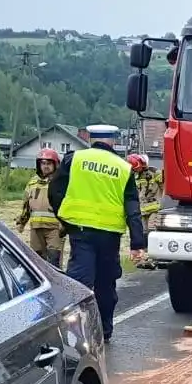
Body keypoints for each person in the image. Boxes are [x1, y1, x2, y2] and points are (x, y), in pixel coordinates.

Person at [48, 125, 147, 342]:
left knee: (79, 281)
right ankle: (104, 331)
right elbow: (132, 207)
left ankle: (74, 331)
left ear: (91, 138)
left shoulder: (74, 159)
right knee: (105, 283)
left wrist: (64, 217)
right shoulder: (123, 167)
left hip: (80, 232)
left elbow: (55, 190)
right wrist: (137, 242)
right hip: (109, 236)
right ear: (113, 140)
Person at [16, 148, 64, 266]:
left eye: (48, 163)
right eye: (43, 163)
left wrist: (66, 225)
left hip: (55, 229)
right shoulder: (32, 183)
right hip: (36, 228)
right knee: (37, 263)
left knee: (53, 262)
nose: (45, 166)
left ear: (55, 165)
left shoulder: (61, 183)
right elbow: (26, 205)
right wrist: (22, 222)